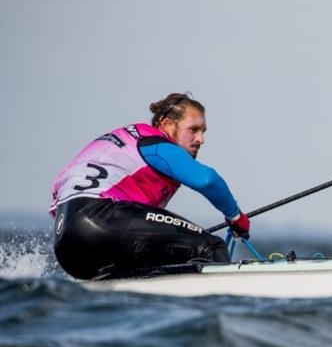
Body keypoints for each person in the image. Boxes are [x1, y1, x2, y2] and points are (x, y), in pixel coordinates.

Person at [49, 92, 250, 280]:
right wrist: (235, 216)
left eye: (203, 131)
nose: (201, 139)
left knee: (161, 258)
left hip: (66, 244)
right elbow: (207, 180)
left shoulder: (123, 141)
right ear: (168, 124)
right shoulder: (154, 143)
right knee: (209, 247)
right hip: (102, 218)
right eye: (194, 130)